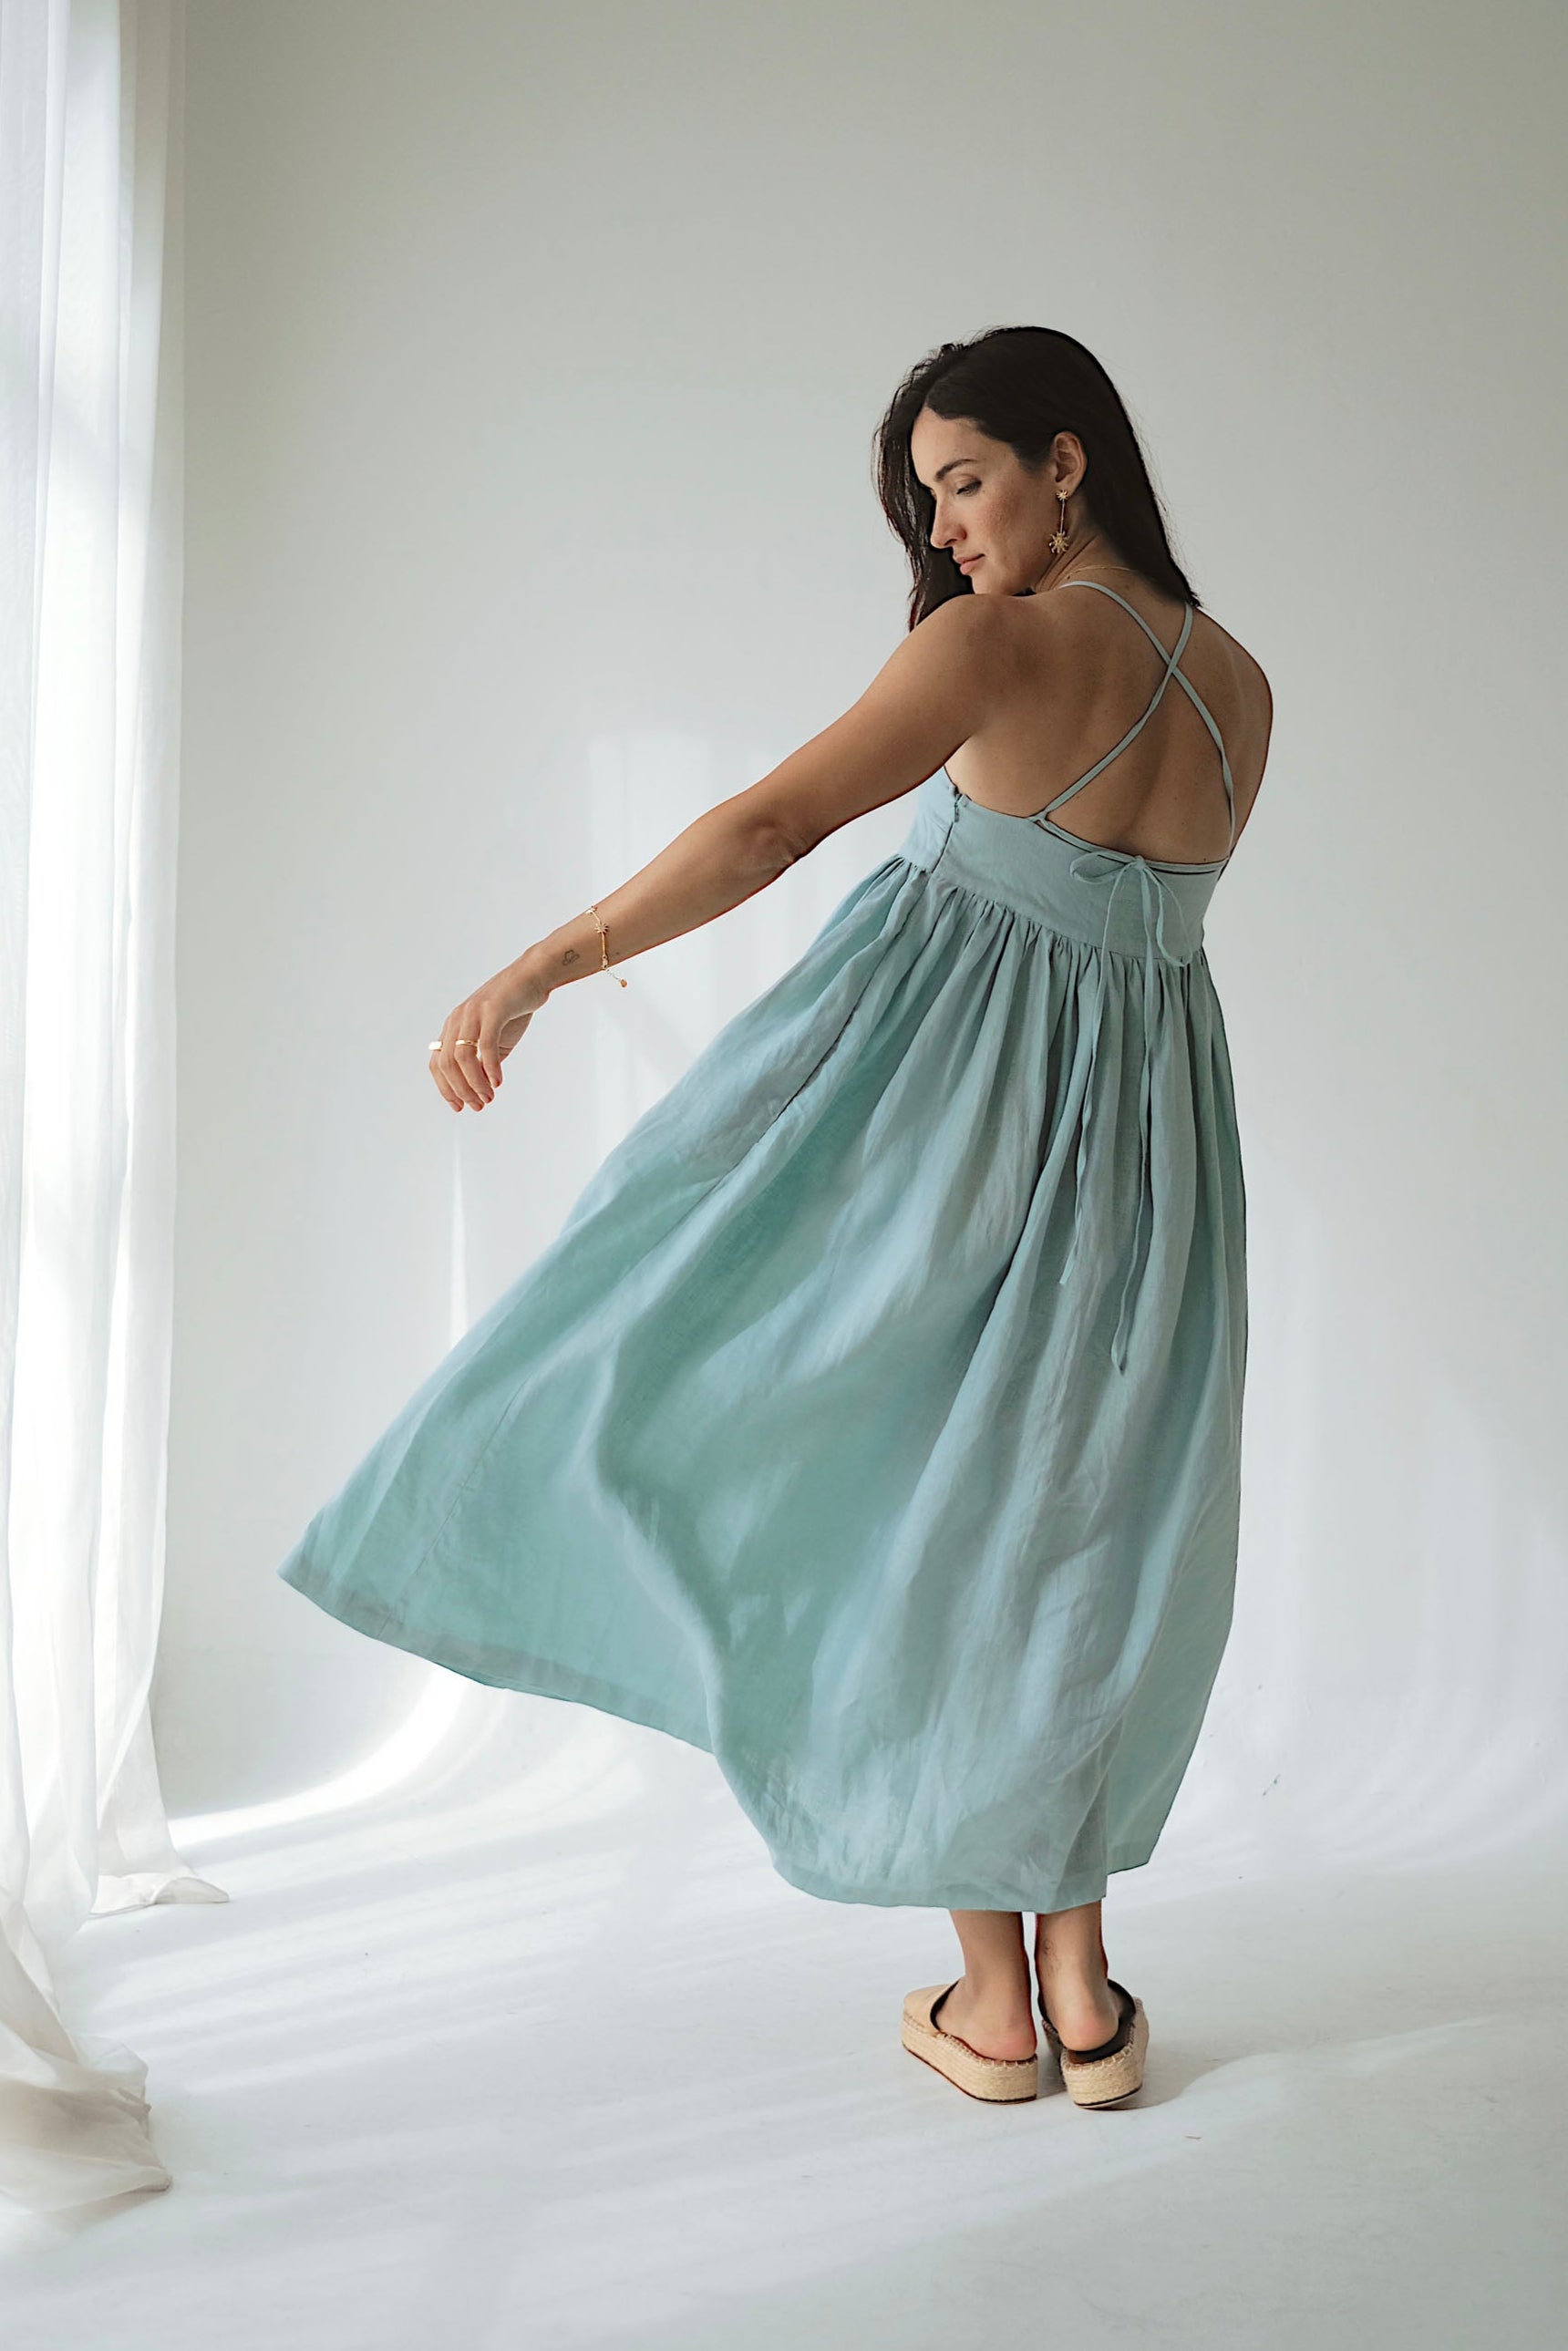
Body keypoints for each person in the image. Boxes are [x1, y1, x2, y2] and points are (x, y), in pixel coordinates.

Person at [278, 324, 1271, 2112]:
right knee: (1060, 1535)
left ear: (1064, 460)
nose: (945, 532)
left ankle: (992, 2006)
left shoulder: (991, 646)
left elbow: (765, 830)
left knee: (905, 1511)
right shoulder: (1239, 687)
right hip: (1150, 1150)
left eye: (962, 483)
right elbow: (1132, 939)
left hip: (938, 1123)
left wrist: (539, 969)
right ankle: (1082, 1990)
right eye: (927, 503)